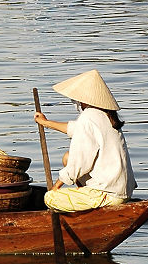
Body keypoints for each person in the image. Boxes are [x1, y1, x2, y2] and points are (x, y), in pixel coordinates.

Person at [33, 69, 136, 213]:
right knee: (67, 158)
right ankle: (84, 197)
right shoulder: (106, 115)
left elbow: (79, 163)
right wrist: (46, 122)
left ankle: (88, 202)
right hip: (121, 190)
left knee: (50, 198)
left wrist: (55, 188)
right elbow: (74, 129)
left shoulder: (88, 117)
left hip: (108, 193)